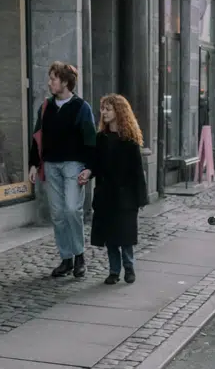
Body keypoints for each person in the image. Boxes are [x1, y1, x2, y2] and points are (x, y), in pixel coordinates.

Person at [29, 61, 97, 279]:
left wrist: (89, 168)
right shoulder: (46, 106)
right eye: (50, 78)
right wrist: (34, 163)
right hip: (51, 164)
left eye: (53, 79)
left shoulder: (81, 107)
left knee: (71, 209)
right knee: (57, 214)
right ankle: (66, 259)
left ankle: (79, 255)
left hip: (73, 165)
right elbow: (37, 136)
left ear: (65, 82)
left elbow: (90, 140)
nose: (50, 83)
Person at [89, 94, 149, 286]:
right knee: (110, 237)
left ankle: (129, 268)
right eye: (103, 109)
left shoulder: (129, 141)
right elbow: (96, 164)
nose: (104, 113)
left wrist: (140, 199)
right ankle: (114, 271)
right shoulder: (101, 138)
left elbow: (137, 173)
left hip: (125, 198)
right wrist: (88, 172)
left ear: (119, 112)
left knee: (125, 237)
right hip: (106, 195)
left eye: (108, 109)